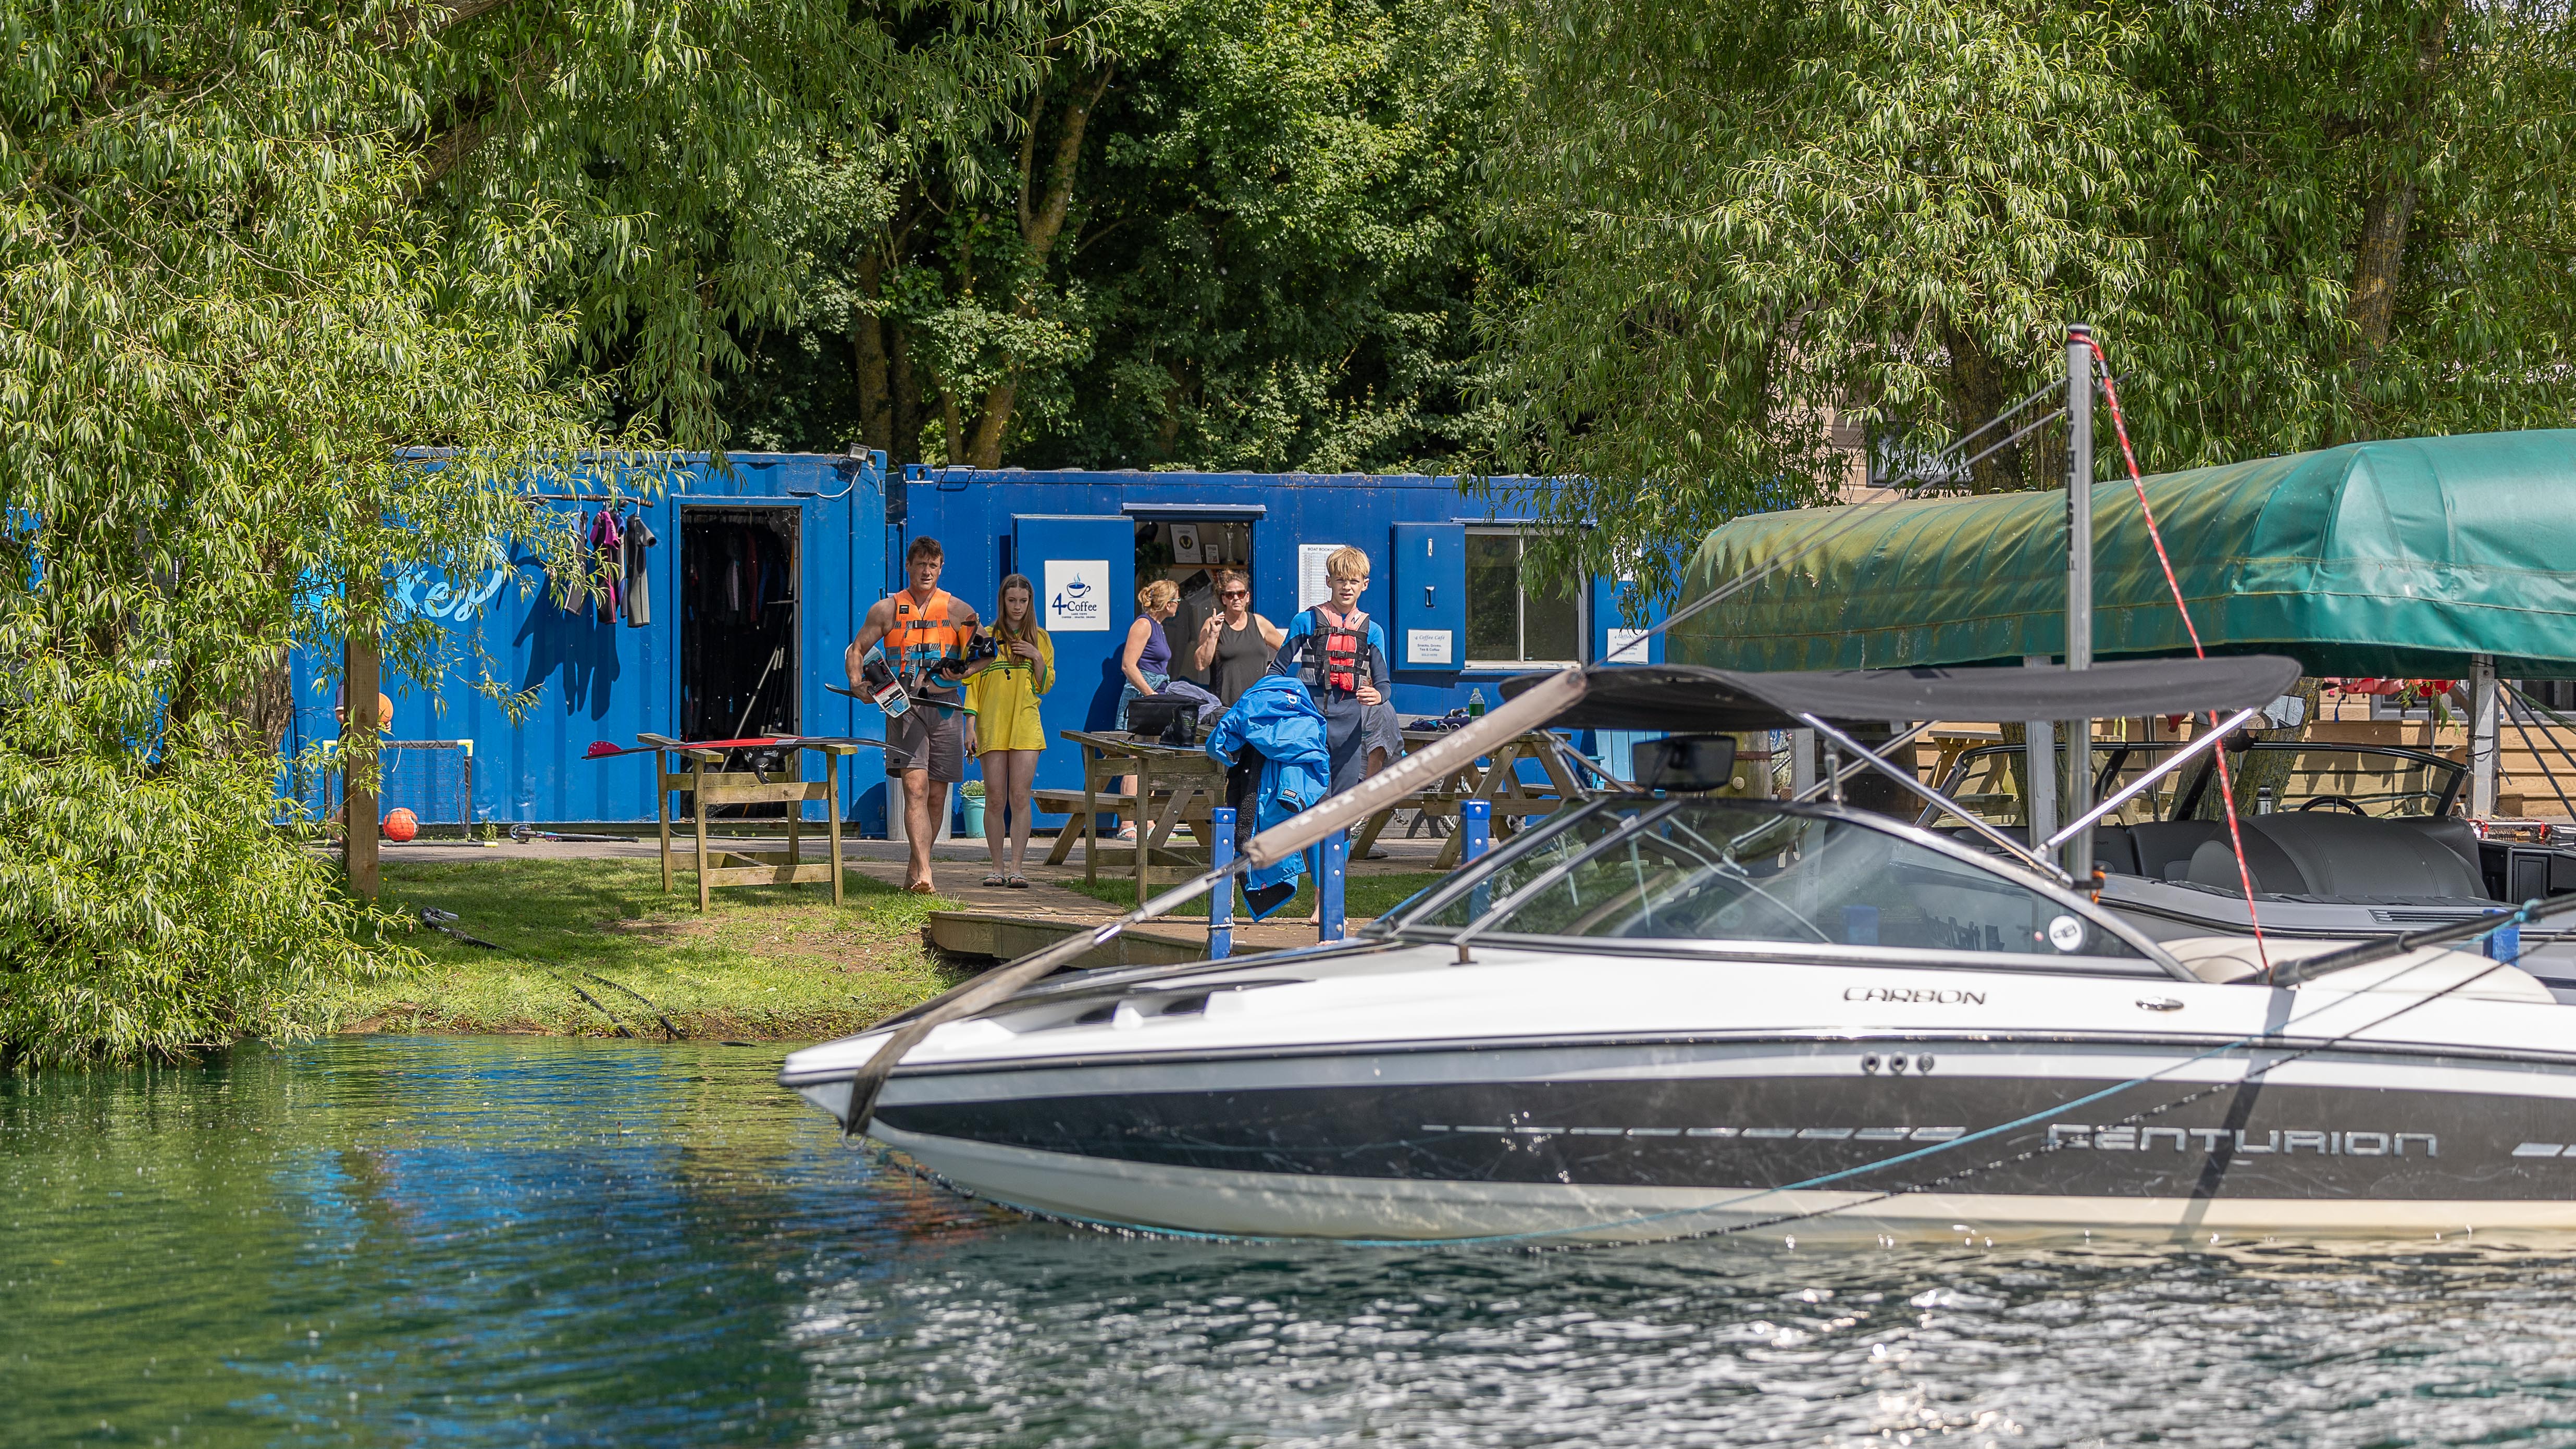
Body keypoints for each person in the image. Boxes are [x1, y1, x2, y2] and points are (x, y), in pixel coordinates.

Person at [847, 536, 980, 894]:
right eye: (920, 564)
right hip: (903, 706)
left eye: (933, 565)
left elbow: (985, 652)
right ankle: (925, 873)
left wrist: (963, 671)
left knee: (937, 795)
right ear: (908, 566)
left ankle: (915, 868)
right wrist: (858, 683)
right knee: (915, 788)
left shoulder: (957, 609)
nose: (926, 571)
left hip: (945, 707)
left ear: (941, 568)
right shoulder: (886, 610)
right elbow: (857, 649)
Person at [1270, 545, 1390, 798]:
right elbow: (1277, 671)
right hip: (1310, 717)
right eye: (1340, 580)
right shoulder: (1305, 621)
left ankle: (1343, 828)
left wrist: (1379, 695)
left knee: (1344, 801)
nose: (1347, 587)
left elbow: (1384, 684)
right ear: (1329, 581)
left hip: (1349, 724)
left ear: (1365, 585)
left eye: (1354, 581)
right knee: (1316, 796)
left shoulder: (1373, 631)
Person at [964, 573, 1051, 888]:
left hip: (1026, 724)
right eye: (1011, 600)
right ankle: (996, 867)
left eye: (1023, 601)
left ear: (1030, 603)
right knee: (995, 797)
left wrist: (1036, 656)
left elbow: (1044, 686)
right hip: (992, 723)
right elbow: (972, 683)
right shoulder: (986, 636)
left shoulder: (1040, 638)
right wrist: (970, 726)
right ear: (1002, 601)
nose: (1017, 607)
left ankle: (1017, 868)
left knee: (1019, 796)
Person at [1112, 578, 1183, 840]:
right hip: (1142, 699)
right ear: (1167, 603)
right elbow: (1128, 665)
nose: (1179, 604)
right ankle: (1126, 823)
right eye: (1177, 599)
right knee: (1135, 759)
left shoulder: (1159, 627)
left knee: (1151, 759)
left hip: (1156, 698)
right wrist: (1150, 694)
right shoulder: (1143, 625)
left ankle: (1147, 820)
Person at [1193, 569, 1285, 707]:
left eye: (1240, 594)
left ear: (1247, 597)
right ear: (1224, 599)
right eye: (1230, 595)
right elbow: (1200, 665)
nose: (1236, 598)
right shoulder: (1212, 624)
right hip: (1224, 708)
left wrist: (1273, 670)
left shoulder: (1259, 623)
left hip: (1257, 705)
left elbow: (1286, 649)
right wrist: (1213, 635)